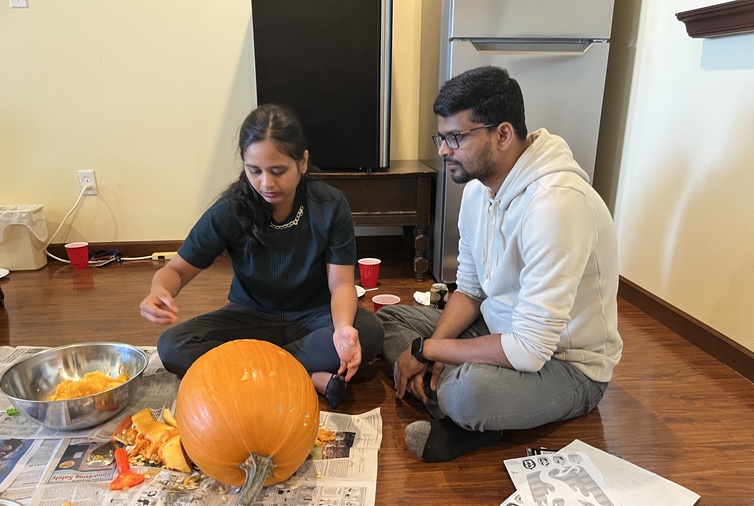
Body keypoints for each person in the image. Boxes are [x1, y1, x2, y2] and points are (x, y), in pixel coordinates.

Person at [378, 66, 623, 462]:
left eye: (455, 137)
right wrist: (437, 349)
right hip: (496, 330)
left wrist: (428, 352)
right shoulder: (479, 192)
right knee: (388, 321)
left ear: (503, 134)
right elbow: (470, 290)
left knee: (467, 393)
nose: (443, 150)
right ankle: (464, 408)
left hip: (565, 366)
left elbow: (529, 350)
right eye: (441, 137)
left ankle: (460, 407)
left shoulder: (557, 205)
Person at [139, 103, 384, 409]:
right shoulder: (231, 208)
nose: (266, 183)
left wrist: (345, 329)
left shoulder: (330, 205)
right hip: (250, 317)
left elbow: (341, 285)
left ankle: (257, 371)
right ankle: (306, 376)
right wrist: (159, 291)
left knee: (369, 332)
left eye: (278, 171)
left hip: (312, 317)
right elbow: (174, 271)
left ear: (303, 161)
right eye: (254, 171)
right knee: (173, 346)